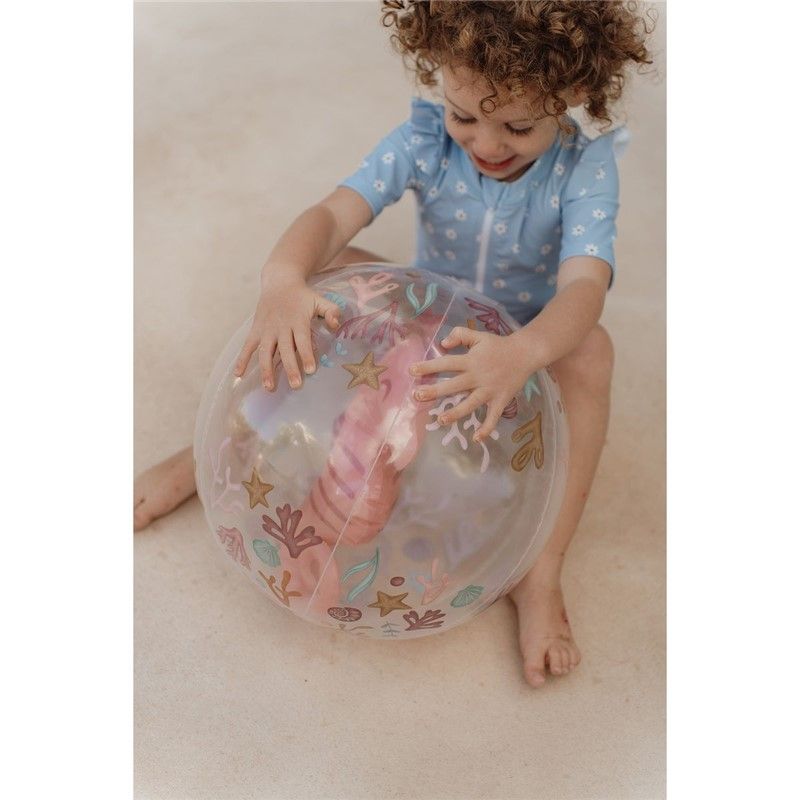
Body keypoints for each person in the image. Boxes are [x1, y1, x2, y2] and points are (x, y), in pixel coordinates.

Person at [134, 0, 654, 688]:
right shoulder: (425, 140)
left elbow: (584, 289)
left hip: (523, 343)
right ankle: (216, 449)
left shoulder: (583, 170)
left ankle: (541, 572)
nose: (486, 144)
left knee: (593, 351)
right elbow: (331, 215)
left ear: (572, 94)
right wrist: (283, 278)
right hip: (420, 316)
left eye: (518, 127)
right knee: (332, 265)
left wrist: (525, 352)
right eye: (464, 115)